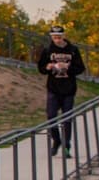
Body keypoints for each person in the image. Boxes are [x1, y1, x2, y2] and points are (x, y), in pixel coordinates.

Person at [36, 25, 86, 157]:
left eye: (59, 37)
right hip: (53, 88)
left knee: (67, 119)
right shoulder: (48, 50)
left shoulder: (73, 50)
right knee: (51, 116)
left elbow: (80, 68)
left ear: (64, 36)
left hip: (69, 89)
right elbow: (41, 68)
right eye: (54, 37)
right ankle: (56, 140)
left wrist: (68, 67)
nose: (57, 40)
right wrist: (48, 67)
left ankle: (66, 145)